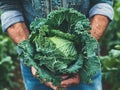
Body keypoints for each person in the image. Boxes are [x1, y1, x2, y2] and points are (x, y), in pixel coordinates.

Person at [0, 0, 114, 90]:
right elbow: (9, 6)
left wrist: (84, 53)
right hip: (33, 64)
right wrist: (33, 60)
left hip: (86, 62)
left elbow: (102, 3)